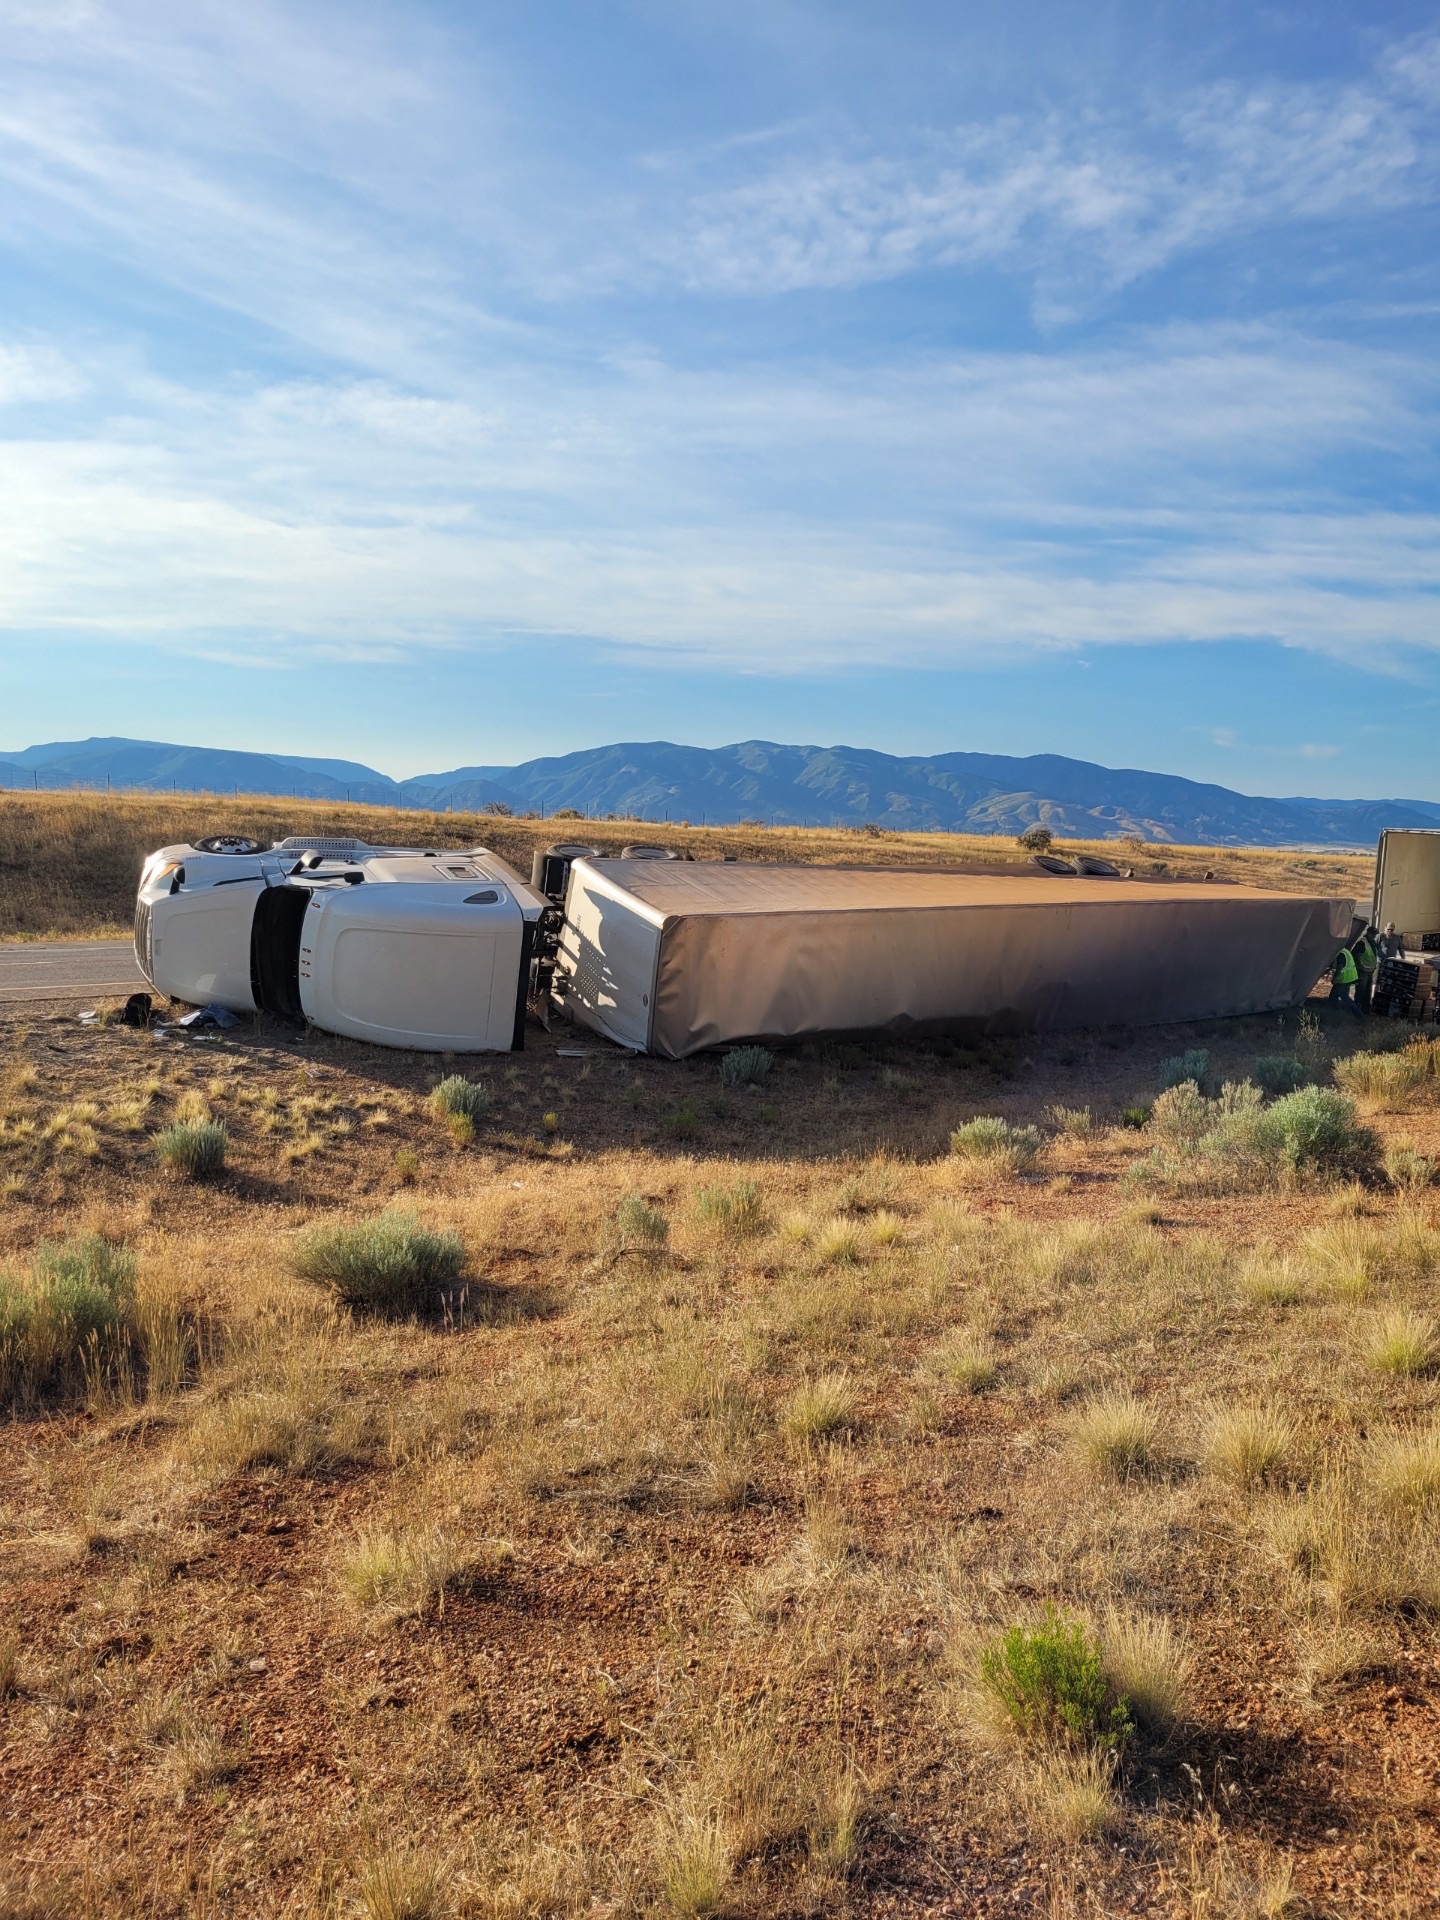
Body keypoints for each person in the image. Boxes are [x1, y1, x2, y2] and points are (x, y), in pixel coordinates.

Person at [1328, 942, 1361, 1016]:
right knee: (1333, 996)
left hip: (1345, 979)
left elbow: (1339, 968)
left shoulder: (1341, 954)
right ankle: (1334, 1013)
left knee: (1345, 998)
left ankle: (1358, 1014)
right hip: (1348, 978)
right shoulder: (1345, 951)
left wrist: (1334, 979)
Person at [1353, 925, 1379, 1013]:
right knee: (1361, 991)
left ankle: (1365, 1009)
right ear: (1368, 933)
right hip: (1362, 971)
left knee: (1367, 991)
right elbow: (1355, 956)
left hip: (1369, 971)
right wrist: (1359, 966)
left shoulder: (1373, 943)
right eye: (1373, 935)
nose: (1374, 936)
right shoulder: (1362, 943)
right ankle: (1357, 1009)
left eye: (1375, 935)